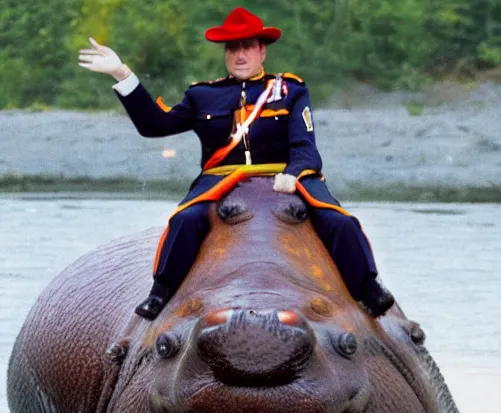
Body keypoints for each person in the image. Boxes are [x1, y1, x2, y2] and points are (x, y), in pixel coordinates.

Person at [78, 6, 395, 321]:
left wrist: (293, 173)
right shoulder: (202, 95)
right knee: (185, 220)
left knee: (339, 221)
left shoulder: (290, 90)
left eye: (247, 47)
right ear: (226, 53)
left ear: (262, 51)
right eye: (233, 48)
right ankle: (161, 292)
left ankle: (367, 288)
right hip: (220, 178)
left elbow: (305, 147)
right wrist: (123, 74)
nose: (240, 55)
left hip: (282, 175)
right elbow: (154, 126)